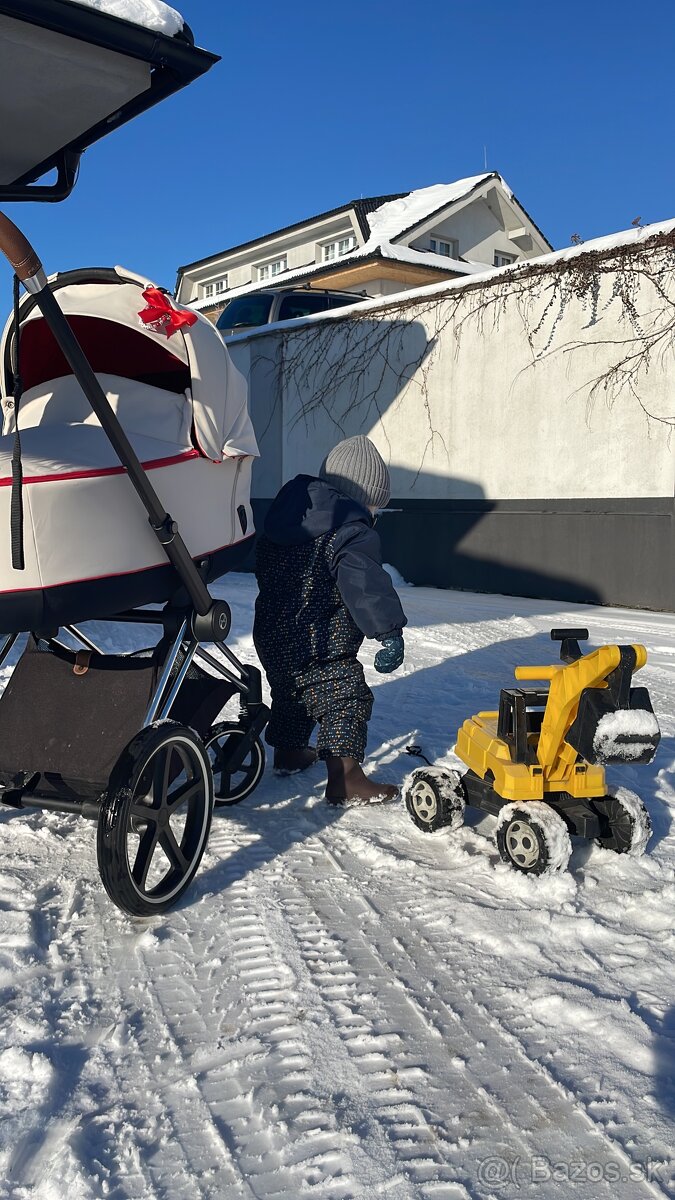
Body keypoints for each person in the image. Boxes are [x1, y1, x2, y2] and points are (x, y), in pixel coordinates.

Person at [253, 435, 407, 805]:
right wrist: (388, 631)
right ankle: (347, 778)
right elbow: (364, 585)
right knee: (343, 696)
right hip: (323, 638)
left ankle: (289, 753)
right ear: (359, 497)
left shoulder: (288, 516)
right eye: (374, 504)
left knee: (291, 693)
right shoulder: (350, 529)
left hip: (272, 634)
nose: (374, 514)